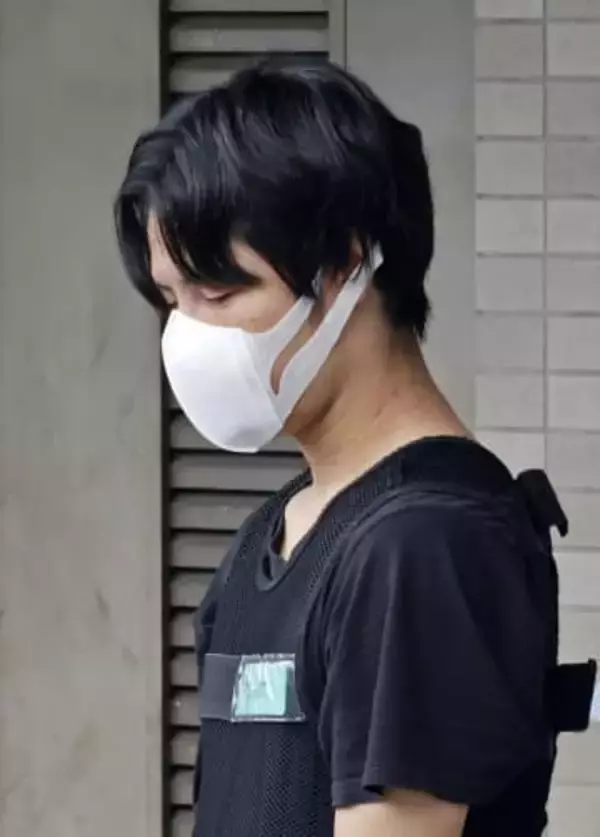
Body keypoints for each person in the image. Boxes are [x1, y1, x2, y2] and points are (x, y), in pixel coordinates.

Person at [114, 60, 562, 837]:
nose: (187, 334)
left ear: (347, 263)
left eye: (217, 293)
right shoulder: (274, 535)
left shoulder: (425, 544)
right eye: (171, 300)